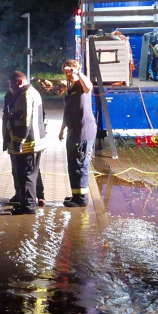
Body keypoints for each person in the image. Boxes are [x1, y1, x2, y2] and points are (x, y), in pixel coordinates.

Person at [2, 70, 46, 212]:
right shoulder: (32, 92)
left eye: (12, 85)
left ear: (20, 82)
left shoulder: (25, 95)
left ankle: (28, 205)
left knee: (26, 174)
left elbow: (24, 121)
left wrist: (18, 142)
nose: (10, 88)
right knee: (28, 172)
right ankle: (25, 198)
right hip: (32, 141)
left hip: (27, 143)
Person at [58, 59, 97, 207]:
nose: (67, 74)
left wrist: (78, 73)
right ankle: (76, 195)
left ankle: (81, 199)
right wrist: (62, 129)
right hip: (72, 131)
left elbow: (89, 87)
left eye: (69, 70)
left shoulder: (82, 85)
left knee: (80, 165)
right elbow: (67, 111)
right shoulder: (70, 88)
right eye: (65, 72)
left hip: (83, 132)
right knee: (73, 164)